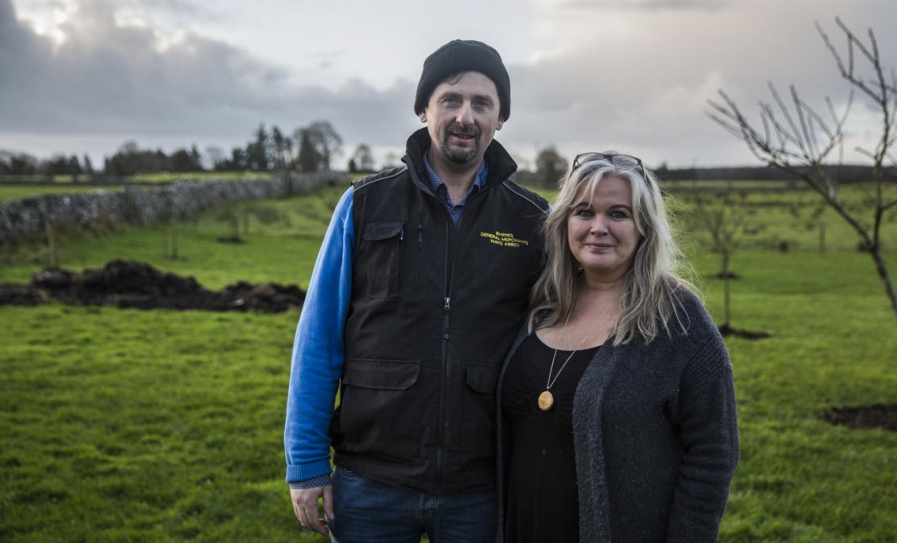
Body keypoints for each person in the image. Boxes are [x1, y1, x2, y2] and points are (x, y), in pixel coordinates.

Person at [284, 39, 550, 543]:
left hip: (483, 486)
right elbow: (318, 339)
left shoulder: (533, 220)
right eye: (450, 99)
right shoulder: (364, 204)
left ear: (500, 120)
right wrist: (307, 463)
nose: (465, 116)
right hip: (370, 483)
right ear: (424, 109)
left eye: (482, 103)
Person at [497, 152, 740, 542]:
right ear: (564, 223)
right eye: (584, 212)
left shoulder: (677, 318)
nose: (598, 227)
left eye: (618, 214)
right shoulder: (542, 302)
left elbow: (713, 452)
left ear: (644, 227)